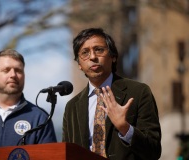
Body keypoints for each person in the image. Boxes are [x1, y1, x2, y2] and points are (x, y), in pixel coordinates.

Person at [62, 28, 161, 160]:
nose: (92, 57)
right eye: (85, 53)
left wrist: (125, 128)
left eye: (99, 50)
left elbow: (153, 151)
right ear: (79, 64)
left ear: (113, 56)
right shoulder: (72, 107)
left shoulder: (139, 92)